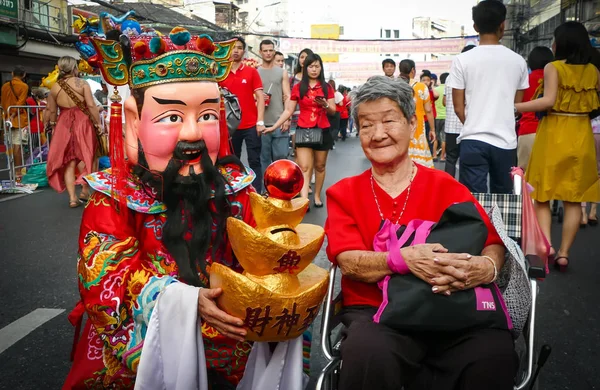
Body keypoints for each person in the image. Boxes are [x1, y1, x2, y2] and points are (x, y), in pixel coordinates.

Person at [62, 28, 258, 389]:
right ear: (135, 122)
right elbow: (107, 285)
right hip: (144, 351)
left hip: (229, 339)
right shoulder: (115, 196)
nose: (193, 134)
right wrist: (185, 303)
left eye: (209, 115)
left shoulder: (235, 188)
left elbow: (259, 261)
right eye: (171, 117)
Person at [324, 76, 514, 390]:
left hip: (454, 310)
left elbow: (492, 242)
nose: (378, 134)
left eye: (388, 121)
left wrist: (486, 268)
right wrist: (403, 260)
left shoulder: (446, 186)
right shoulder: (344, 193)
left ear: (412, 123)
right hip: (377, 315)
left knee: (493, 355)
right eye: (367, 125)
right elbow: (349, 262)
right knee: (369, 353)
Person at [515, 21, 600, 271]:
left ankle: (548, 246)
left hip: (554, 132)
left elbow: (548, 101)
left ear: (560, 42)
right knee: (573, 199)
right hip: (581, 134)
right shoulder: (594, 72)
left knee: (542, 195)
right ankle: (564, 253)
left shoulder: (553, 67)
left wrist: (515, 107)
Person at [448, 0, 529, 194]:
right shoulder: (518, 61)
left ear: (475, 26)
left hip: (473, 139)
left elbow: (458, 107)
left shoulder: (461, 60)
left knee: (474, 200)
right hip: (506, 141)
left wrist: (475, 123)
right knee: (503, 197)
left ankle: (480, 225)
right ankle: (498, 226)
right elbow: (516, 104)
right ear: (503, 25)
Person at [266, 53, 337, 208]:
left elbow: (333, 110)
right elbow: (288, 110)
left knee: (320, 166)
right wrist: (274, 126)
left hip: (323, 130)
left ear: (321, 68)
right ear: (305, 68)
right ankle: (304, 200)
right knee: (304, 167)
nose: (314, 69)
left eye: (317, 66)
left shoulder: (327, 87)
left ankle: (317, 196)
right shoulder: (298, 87)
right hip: (303, 129)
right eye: (311, 66)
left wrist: (325, 104)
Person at [44, 56, 99, 208]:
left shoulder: (55, 87)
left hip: (64, 123)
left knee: (69, 161)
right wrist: (98, 123)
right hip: (83, 121)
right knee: (88, 155)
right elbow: (91, 106)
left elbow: (52, 110)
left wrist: (54, 125)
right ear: (74, 67)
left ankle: (72, 198)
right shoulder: (82, 83)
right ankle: (85, 190)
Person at [219, 36, 266, 192]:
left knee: (254, 160)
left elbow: (260, 97)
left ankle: (257, 192)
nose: (236, 51)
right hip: (230, 126)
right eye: (233, 47)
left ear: (244, 50)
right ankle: (236, 192)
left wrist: (260, 121)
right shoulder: (220, 74)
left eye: (239, 47)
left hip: (251, 124)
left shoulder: (251, 72)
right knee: (233, 161)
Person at [258, 39, 291, 179]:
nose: (268, 53)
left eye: (270, 50)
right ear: (260, 52)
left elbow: (287, 96)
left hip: (279, 122)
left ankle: (282, 191)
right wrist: (258, 98)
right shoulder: (255, 72)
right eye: (265, 50)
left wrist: (287, 118)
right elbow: (250, 97)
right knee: (263, 161)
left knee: (281, 160)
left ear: (274, 51)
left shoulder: (282, 72)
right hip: (262, 124)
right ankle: (266, 191)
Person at [517, 46, 554, 171]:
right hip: (551, 132)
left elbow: (516, 104)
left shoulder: (524, 80)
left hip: (527, 131)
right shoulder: (556, 79)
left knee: (525, 176)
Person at [444, 45, 476, 178]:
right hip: (467, 125)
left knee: (450, 159)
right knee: (466, 161)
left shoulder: (449, 77)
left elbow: (446, 101)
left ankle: (448, 188)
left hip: (451, 126)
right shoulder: (473, 77)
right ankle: (464, 190)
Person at [399, 59, 435, 168]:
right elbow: (428, 110)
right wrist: (432, 130)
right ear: (413, 70)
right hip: (417, 127)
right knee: (420, 163)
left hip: (399, 125)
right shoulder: (421, 87)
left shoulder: (395, 85)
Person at [1, 66, 29, 172]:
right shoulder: (24, 86)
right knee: (17, 146)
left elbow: (3, 103)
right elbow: (20, 103)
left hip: (6, 119)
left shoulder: (4, 86)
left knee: (10, 146)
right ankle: (18, 173)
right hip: (18, 119)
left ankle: (12, 171)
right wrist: (12, 115)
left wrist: (7, 116)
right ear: (24, 75)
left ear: (12, 73)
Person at [289, 48, 314, 158]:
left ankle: (309, 172)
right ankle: (298, 172)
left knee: (310, 147)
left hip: (311, 116)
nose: (304, 60)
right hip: (295, 115)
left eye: (307, 57)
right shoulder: (292, 78)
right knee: (297, 148)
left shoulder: (314, 78)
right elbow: (288, 96)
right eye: (302, 57)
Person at [434, 72, 448, 161]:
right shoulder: (448, 89)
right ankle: (443, 156)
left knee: (435, 136)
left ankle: (434, 155)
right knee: (443, 138)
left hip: (436, 116)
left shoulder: (436, 90)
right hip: (445, 117)